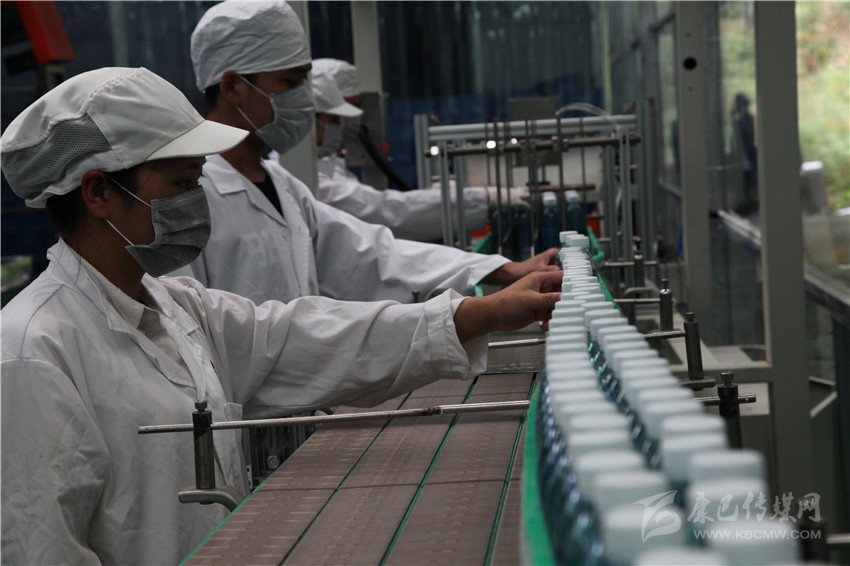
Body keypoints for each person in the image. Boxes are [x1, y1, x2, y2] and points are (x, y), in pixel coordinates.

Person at [0, 67, 562, 564]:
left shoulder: (177, 305)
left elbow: (306, 336)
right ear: (98, 192)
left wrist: (481, 313)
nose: (196, 202)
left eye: (198, 181)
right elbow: (41, 547)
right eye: (181, 184)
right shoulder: (33, 350)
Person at [179, 0, 557, 306]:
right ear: (233, 87)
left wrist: (499, 269)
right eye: (290, 82)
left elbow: (375, 255)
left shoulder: (282, 185)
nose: (304, 101)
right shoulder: (191, 197)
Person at [311, 60, 528, 242]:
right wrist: (485, 197)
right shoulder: (313, 176)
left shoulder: (327, 160)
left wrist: (450, 195)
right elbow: (386, 212)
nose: (347, 121)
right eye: (335, 117)